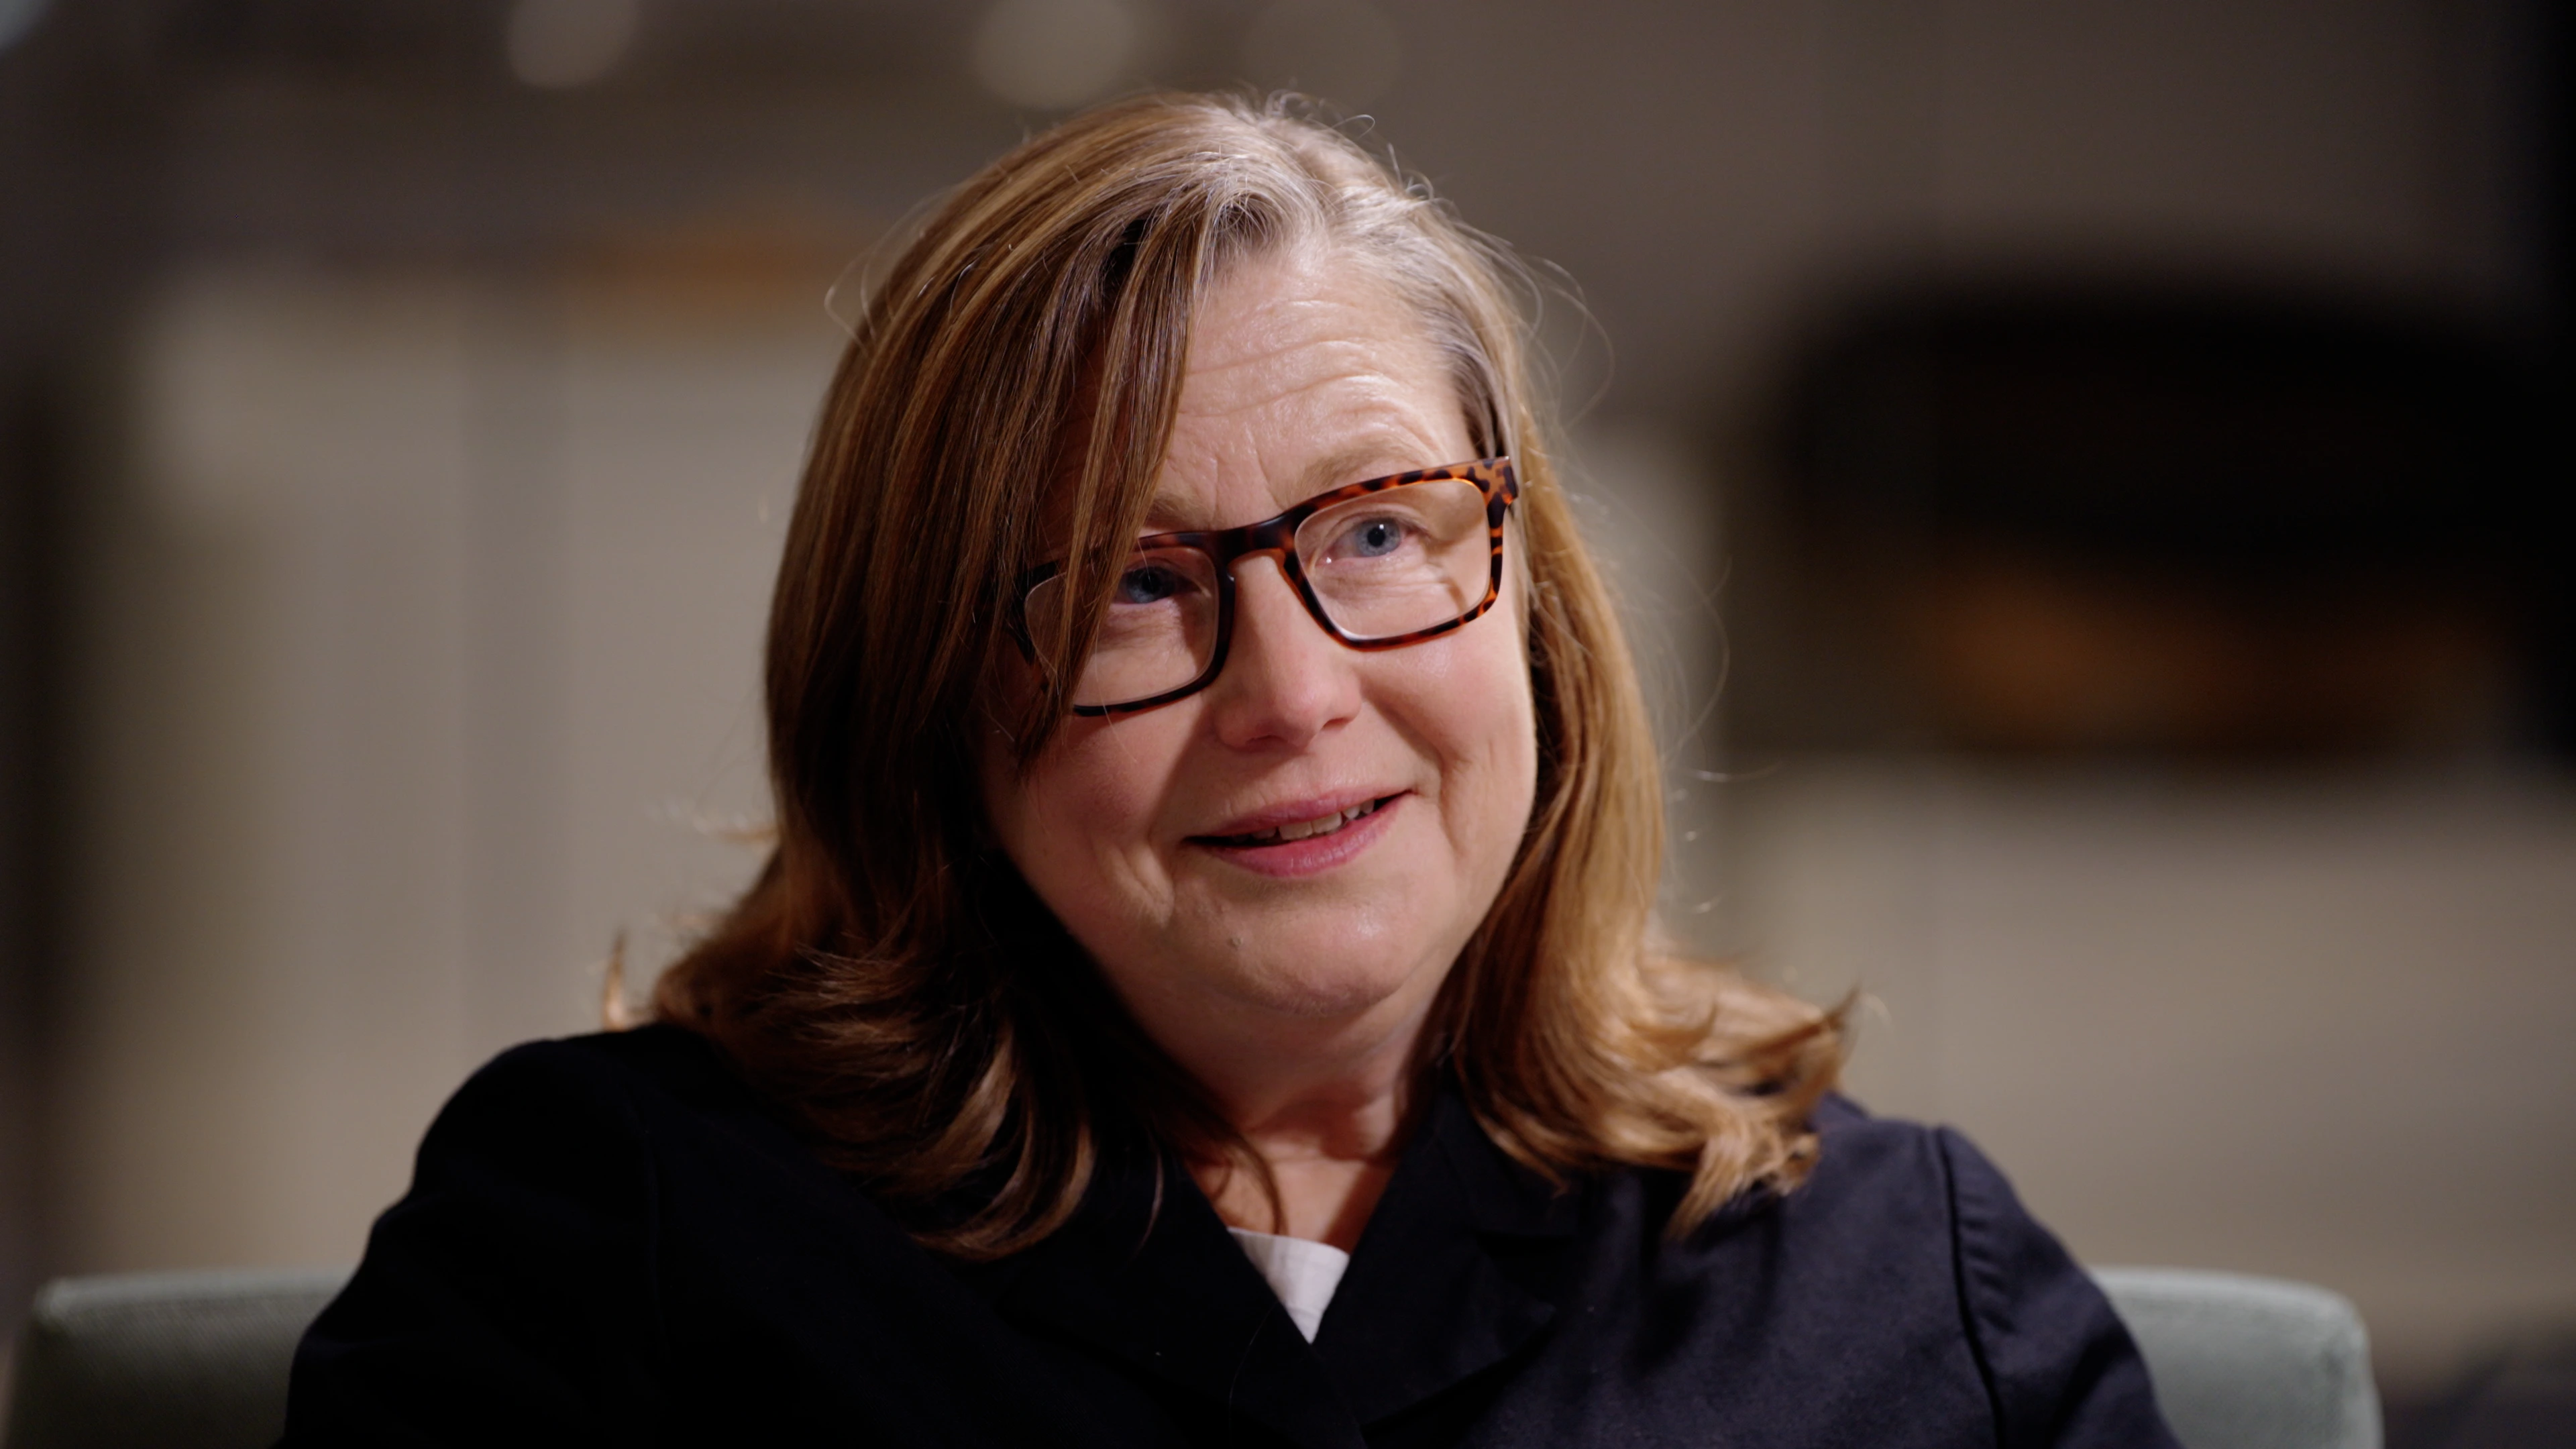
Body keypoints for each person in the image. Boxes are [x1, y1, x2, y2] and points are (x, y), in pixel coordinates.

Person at [282, 93, 2178, 1448]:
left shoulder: (1902, 1279)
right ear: (927, 697)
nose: (1290, 693)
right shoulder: (610, 1243)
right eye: (1131, 581)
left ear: (1532, 607)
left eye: (1379, 531)